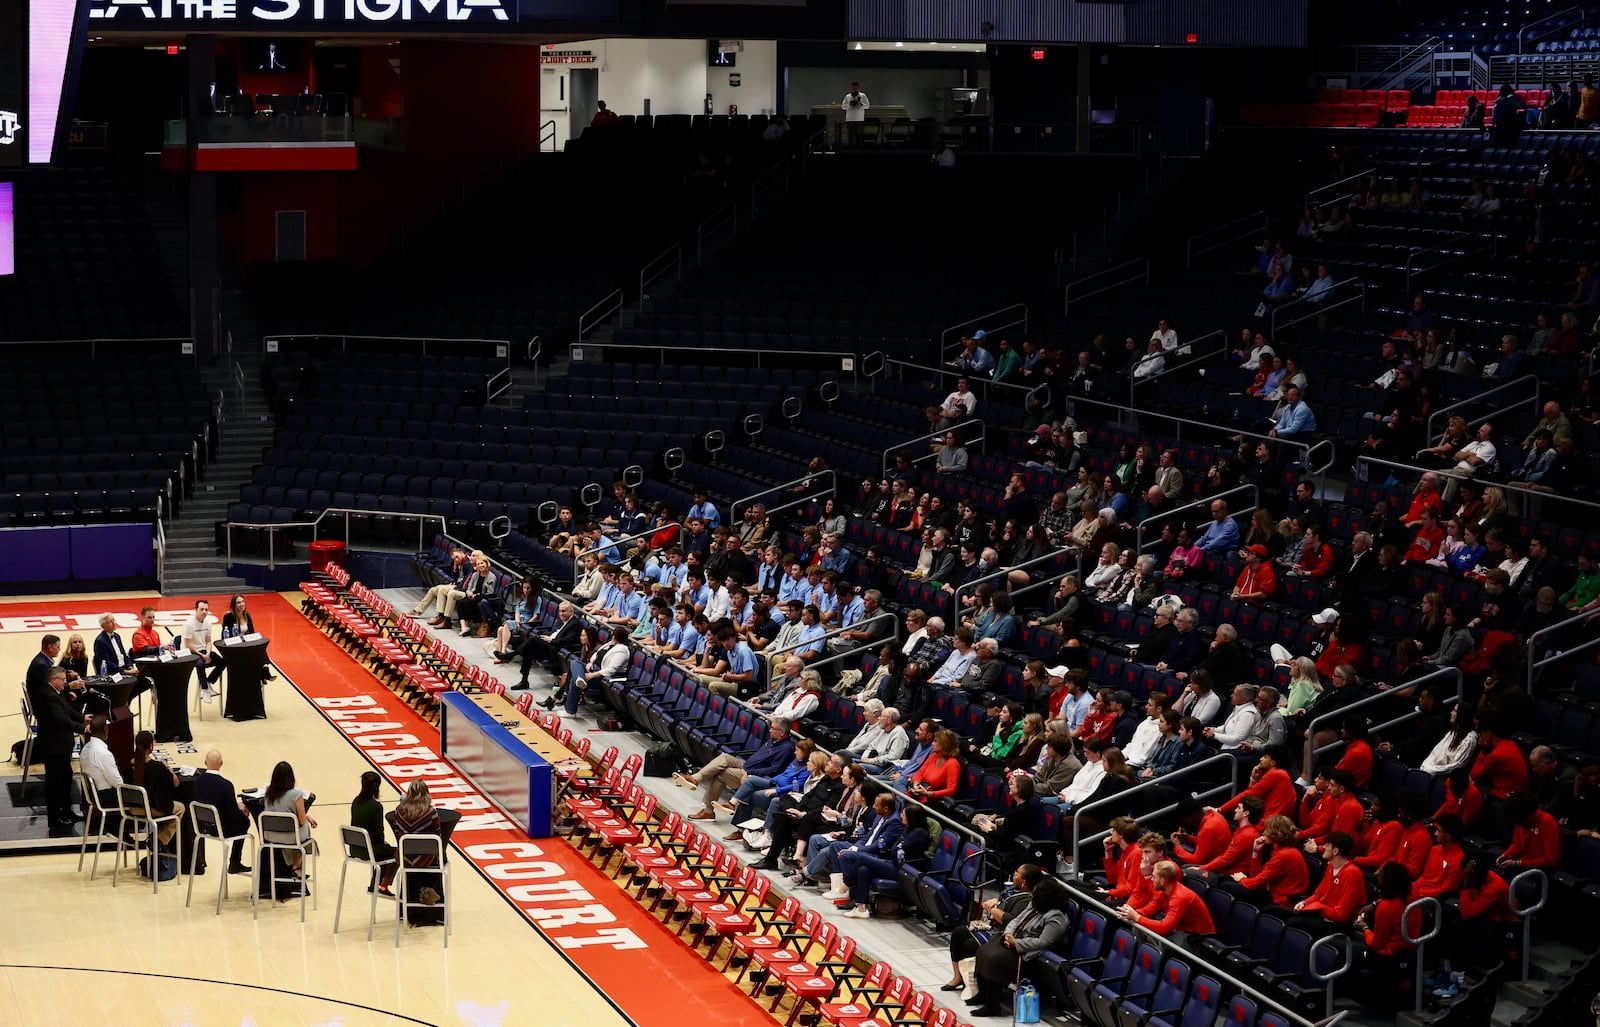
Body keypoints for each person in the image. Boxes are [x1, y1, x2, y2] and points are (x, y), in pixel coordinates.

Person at [967, 876, 1074, 1016]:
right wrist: (1008, 935)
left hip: (1028, 954)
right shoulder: (1034, 905)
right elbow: (1015, 921)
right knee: (983, 951)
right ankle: (982, 994)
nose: (1031, 895)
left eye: (1035, 894)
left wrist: (1016, 943)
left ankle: (992, 1005)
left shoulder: (1056, 917)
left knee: (994, 959)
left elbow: (1043, 942)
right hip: (1012, 941)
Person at [945, 863, 1042, 992]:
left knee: (970, 945)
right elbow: (1005, 902)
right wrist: (997, 901)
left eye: (1017, 873)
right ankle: (958, 977)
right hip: (992, 924)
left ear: (1024, 882)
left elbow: (1010, 920)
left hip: (1003, 932)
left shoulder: (1027, 900)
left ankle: (977, 988)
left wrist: (993, 909)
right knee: (959, 933)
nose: (1014, 874)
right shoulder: (1012, 889)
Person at [675, 719, 795, 822]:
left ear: (782, 732)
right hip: (746, 765)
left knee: (721, 773)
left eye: (773, 728)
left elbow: (774, 769)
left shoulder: (786, 748)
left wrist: (750, 772)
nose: (770, 730)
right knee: (725, 757)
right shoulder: (773, 739)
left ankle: (708, 811)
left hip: (755, 774)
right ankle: (695, 779)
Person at [35, 667, 88, 830]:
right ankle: (54, 818)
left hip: (61, 746)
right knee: (54, 783)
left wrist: (82, 718)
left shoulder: (56, 693)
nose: (65, 683)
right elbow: (60, 720)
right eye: (63, 680)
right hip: (53, 747)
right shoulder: (48, 696)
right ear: (53, 680)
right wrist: (81, 728)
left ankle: (66, 811)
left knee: (66, 778)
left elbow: (67, 712)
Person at [1116, 859, 1215, 942]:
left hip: (1197, 938)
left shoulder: (1180, 897)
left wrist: (1136, 917)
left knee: (1161, 940)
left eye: (1154, 877)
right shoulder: (1163, 890)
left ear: (1163, 881)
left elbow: (1164, 928)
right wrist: (1128, 913)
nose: (1151, 879)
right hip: (1180, 929)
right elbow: (1149, 910)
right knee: (1138, 927)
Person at [193, 748, 253, 875]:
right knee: (244, 822)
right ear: (221, 764)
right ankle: (235, 861)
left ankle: (235, 862)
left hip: (202, 826)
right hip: (221, 829)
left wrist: (235, 805)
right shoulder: (226, 785)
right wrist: (241, 811)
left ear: (205, 762)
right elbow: (234, 816)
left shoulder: (197, 782)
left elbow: (212, 801)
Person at [127, 729, 185, 847]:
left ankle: (155, 838)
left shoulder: (128, 765)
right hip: (150, 808)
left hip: (132, 807)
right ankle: (159, 840)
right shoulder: (157, 767)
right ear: (151, 746)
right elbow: (175, 783)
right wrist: (168, 768)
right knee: (180, 808)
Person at [263, 760, 317, 875]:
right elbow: (301, 821)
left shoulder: (268, 793)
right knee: (303, 829)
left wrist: (306, 816)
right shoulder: (297, 795)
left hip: (270, 836)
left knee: (290, 829)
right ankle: (296, 866)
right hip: (291, 838)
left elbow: (280, 812)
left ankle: (289, 865)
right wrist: (305, 817)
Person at [349, 770, 396, 892]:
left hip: (355, 848)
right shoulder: (376, 807)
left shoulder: (355, 801)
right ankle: (383, 885)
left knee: (386, 850)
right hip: (370, 851)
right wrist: (382, 842)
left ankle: (375, 885)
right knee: (397, 852)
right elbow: (379, 835)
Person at [78, 715, 123, 811]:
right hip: (106, 797)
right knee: (142, 795)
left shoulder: (85, 748)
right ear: (105, 729)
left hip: (93, 794)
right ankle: (132, 824)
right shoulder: (103, 753)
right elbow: (117, 783)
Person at [182, 599, 220, 703]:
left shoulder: (208, 623)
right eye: (201, 609)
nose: (204, 612)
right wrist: (202, 656)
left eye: (206, 610)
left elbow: (208, 641)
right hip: (190, 652)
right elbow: (187, 645)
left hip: (203, 651)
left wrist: (208, 653)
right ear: (196, 610)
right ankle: (205, 689)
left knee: (222, 662)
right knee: (200, 664)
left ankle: (209, 681)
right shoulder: (189, 624)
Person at [92, 612, 139, 679]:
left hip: (125, 670)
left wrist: (130, 667)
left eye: (113, 620)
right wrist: (126, 672)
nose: (114, 623)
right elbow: (108, 664)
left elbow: (124, 655)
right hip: (113, 674)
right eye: (110, 622)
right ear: (103, 626)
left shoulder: (117, 636)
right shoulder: (100, 641)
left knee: (145, 681)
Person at [840, 80, 870, 147]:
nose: (855, 89)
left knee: (859, 135)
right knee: (850, 135)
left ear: (858, 87)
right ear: (852, 88)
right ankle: (850, 148)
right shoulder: (848, 96)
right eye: (853, 88)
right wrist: (849, 104)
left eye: (856, 88)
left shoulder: (863, 96)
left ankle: (859, 148)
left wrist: (860, 104)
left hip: (859, 119)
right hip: (850, 119)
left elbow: (867, 106)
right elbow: (843, 107)